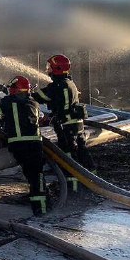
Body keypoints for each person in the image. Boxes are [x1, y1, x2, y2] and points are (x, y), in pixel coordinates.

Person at [32, 54, 95, 192]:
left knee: (68, 157)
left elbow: (38, 98)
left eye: (50, 67)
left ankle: (73, 189)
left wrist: (27, 94)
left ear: (57, 68)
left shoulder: (57, 86)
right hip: (77, 124)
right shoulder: (70, 83)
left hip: (66, 126)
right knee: (82, 152)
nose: (47, 70)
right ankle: (92, 181)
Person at [0, 76, 48, 216]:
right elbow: (38, 117)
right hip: (36, 144)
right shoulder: (34, 103)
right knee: (37, 175)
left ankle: (38, 210)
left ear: (14, 89)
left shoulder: (5, 102)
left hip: (18, 144)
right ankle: (42, 207)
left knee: (30, 174)